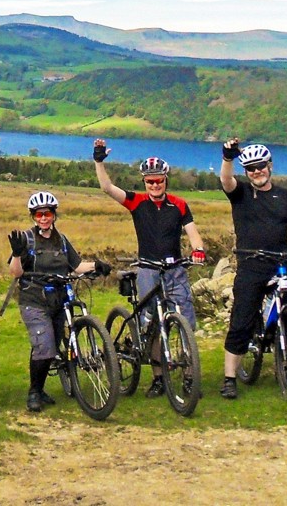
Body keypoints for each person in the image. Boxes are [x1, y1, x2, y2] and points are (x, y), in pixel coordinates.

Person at [92, 140, 206, 397]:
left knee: (184, 322)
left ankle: (190, 377)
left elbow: (193, 234)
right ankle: (157, 378)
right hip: (148, 270)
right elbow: (107, 188)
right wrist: (99, 162)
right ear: (144, 182)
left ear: (166, 180)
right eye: (150, 182)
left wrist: (198, 250)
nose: (155, 186)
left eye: (159, 181)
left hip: (175, 269)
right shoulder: (137, 202)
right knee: (152, 324)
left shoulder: (179, 204)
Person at [217, 139, 287, 400]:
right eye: (251, 168)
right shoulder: (240, 193)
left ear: (270, 166)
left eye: (260, 166)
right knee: (242, 320)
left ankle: (283, 367)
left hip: (281, 263)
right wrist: (228, 158)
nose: (256, 172)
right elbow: (226, 181)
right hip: (251, 264)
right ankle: (230, 378)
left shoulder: (285, 196)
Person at [6, 190, 108, 412]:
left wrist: (97, 266)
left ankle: (43, 387)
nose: (43, 218)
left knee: (51, 346)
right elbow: (15, 273)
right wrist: (16, 253)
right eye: (38, 215)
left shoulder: (61, 240)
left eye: (47, 214)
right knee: (45, 346)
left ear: (54, 215)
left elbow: (77, 266)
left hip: (59, 299)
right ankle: (34, 392)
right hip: (34, 299)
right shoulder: (27, 239)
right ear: (33, 216)